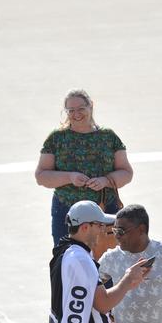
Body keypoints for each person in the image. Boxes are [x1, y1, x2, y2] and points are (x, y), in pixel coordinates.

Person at [35, 89, 133, 245]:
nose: (76, 114)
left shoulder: (108, 137)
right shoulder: (56, 138)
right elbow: (41, 176)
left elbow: (126, 172)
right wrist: (70, 177)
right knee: (66, 257)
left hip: (105, 210)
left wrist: (105, 181)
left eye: (81, 108)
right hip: (66, 210)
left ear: (91, 106)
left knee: (107, 260)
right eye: (71, 110)